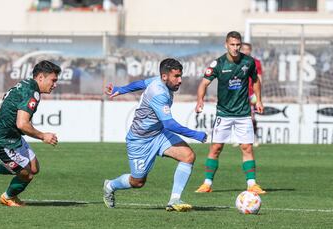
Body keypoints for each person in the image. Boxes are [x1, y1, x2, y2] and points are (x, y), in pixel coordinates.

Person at [103, 58, 207, 212]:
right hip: (140, 140)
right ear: (164, 77)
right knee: (137, 181)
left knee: (188, 156)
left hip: (158, 133)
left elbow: (140, 84)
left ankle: (174, 199)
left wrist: (122, 89)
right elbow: (169, 124)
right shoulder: (159, 93)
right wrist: (195, 134)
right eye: (176, 77)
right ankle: (110, 185)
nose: (180, 81)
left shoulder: (158, 81)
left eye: (180, 76)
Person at [0, 60, 61, 207]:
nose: (55, 85)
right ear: (41, 77)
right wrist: (43, 136)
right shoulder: (32, 93)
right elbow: (22, 124)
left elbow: (6, 100)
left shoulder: (25, 83)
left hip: (13, 138)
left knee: (34, 168)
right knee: (26, 175)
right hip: (1, 143)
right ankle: (8, 197)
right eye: (53, 80)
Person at [195, 31, 266, 194]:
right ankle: (207, 184)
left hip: (243, 113)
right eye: (232, 45)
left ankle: (252, 184)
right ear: (226, 45)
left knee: (247, 148)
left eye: (238, 45)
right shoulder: (218, 63)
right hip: (224, 113)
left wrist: (259, 100)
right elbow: (204, 83)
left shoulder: (249, 62)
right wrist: (200, 100)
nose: (235, 48)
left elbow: (255, 81)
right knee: (216, 148)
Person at [240, 42, 263, 147]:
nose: (245, 51)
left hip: (252, 93)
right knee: (241, 116)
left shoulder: (256, 62)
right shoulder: (237, 61)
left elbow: (259, 78)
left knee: (251, 117)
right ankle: (241, 138)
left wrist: (259, 94)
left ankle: (254, 137)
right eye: (243, 49)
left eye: (247, 49)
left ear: (250, 50)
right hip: (240, 93)